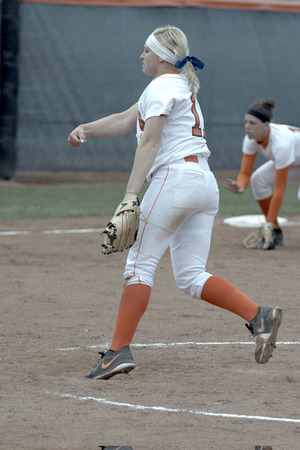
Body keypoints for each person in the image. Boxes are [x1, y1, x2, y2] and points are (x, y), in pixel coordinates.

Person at [68, 26, 282, 380]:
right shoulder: (177, 87)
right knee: (191, 276)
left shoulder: (161, 87)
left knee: (138, 265)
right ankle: (258, 315)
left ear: (161, 57)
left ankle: (118, 350)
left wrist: (129, 195)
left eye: (146, 51)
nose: (141, 56)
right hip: (203, 184)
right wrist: (85, 129)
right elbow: (126, 120)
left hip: (174, 181)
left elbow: (149, 144)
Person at [224, 98, 300, 250]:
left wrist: (268, 224)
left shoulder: (281, 144)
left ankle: (270, 226)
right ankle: (276, 231)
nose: (247, 127)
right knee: (258, 180)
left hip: (291, 159)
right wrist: (240, 187)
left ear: (266, 125)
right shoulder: (250, 139)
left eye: (252, 123)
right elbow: (245, 172)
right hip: (295, 162)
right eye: (246, 122)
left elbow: (280, 188)